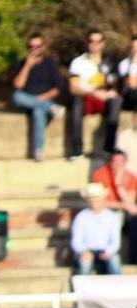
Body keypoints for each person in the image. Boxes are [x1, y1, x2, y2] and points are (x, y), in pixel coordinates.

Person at [66, 30, 122, 161]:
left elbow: (115, 85)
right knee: (76, 103)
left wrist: (110, 92)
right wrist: (93, 92)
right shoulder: (78, 62)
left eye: (98, 41)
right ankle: (77, 150)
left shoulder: (110, 63)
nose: (94, 44)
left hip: (104, 98)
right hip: (86, 97)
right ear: (87, 43)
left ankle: (108, 149)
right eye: (91, 41)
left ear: (103, 44)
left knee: (116, 102)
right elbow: (73, 88)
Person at [10, 34, 67, 161]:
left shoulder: (50, 63)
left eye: (37, 46)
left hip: (44, 100)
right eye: (31, 46)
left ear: (43, 47)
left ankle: (38, 150)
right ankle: (52, 108)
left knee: (38, 112)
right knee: (16, 96)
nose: (34, 49)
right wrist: (27, 66)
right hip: (27, 102)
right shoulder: (22, 64)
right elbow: (18, 85)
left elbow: (58, 88)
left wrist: (42, 98)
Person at [90, 150, 137, 264]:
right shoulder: (100, 174)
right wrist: (123, 205)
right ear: (110, 162)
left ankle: (133, 260)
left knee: (134, 221)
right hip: (106, 210)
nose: (117, 165)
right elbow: (98, 201)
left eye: (120, 162)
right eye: (114, 161)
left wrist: (119, 184)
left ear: (125, 163)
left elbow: (130, 201)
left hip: (122, 212)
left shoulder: (131, 177)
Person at [70, 183, 122, 275]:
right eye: (91, 198)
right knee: (85, 262)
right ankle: (82, 288)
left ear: (102, 199)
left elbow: (115, 242)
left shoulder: (112, 217)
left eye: (96, 197)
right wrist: (83, 251)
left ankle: (117, 287)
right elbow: (76, 241)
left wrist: (108, 252)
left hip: (105, 251)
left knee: (114, 260)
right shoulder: (81, 217)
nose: (93, 200)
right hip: (86, 251)